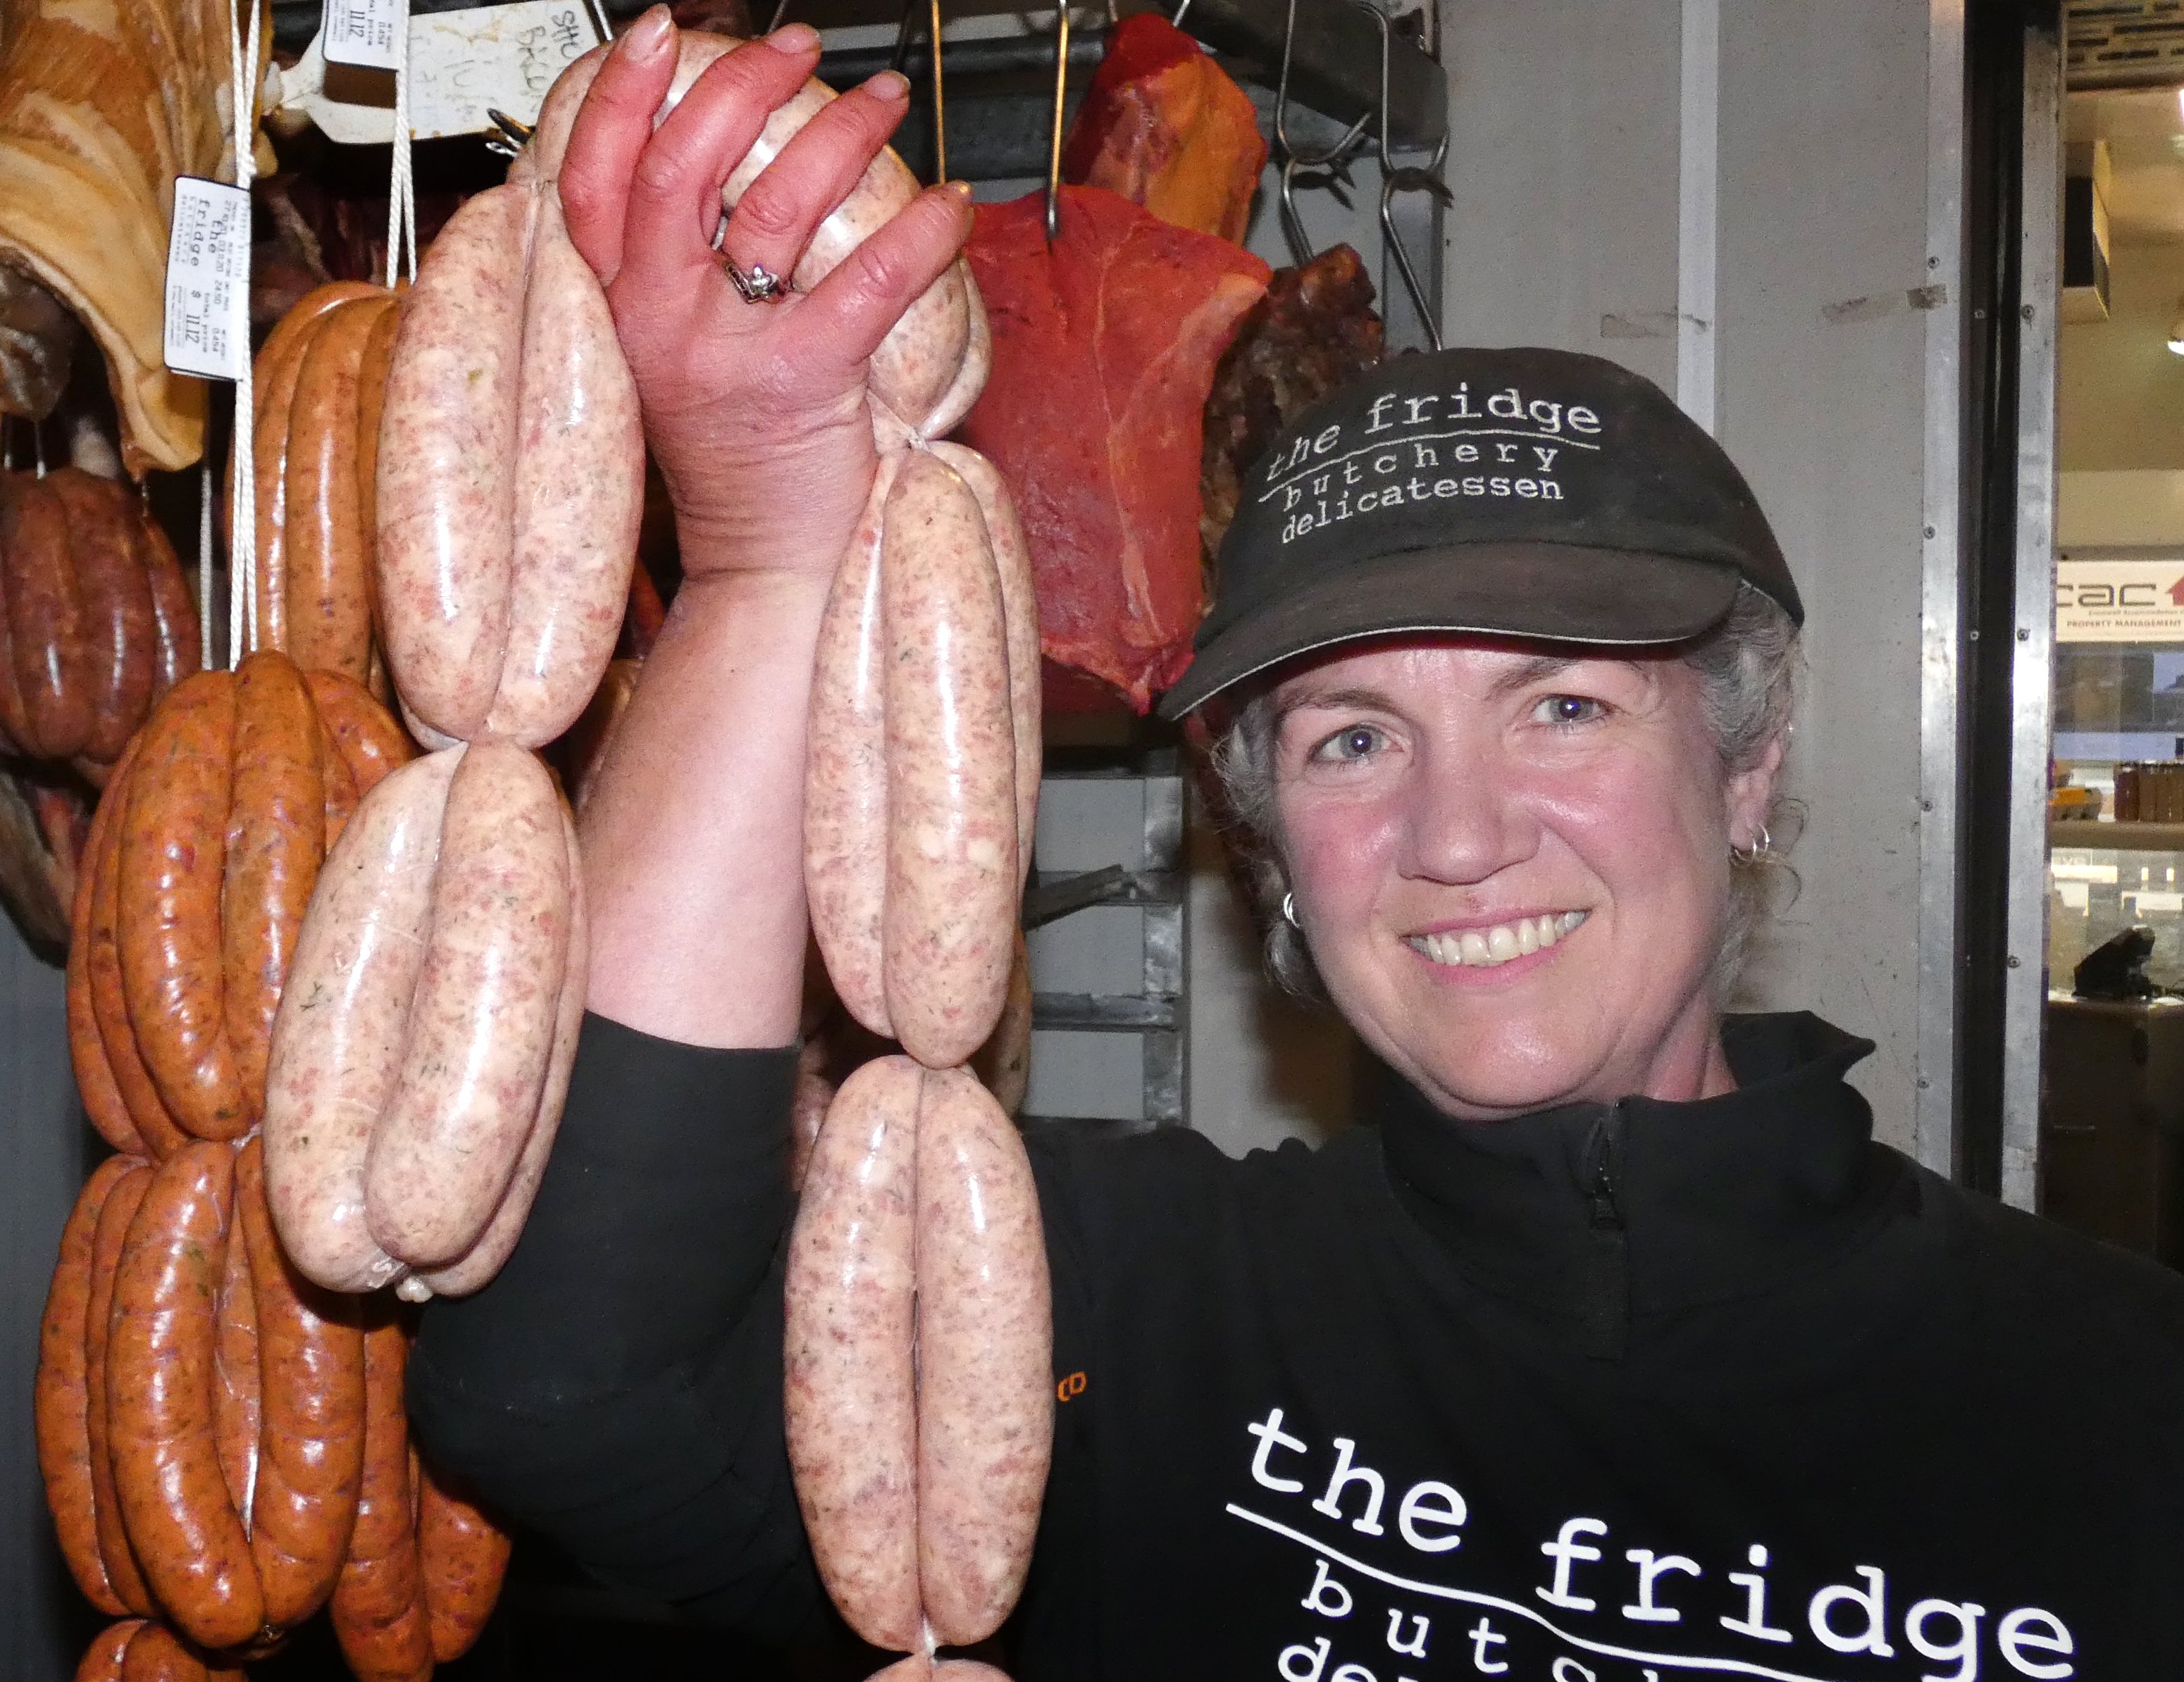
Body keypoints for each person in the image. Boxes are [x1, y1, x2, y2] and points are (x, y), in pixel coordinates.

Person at [409, 15, 2184, 1679]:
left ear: (1740, 770)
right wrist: (767, 555)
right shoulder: (1124, 1298)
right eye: (1349, 741)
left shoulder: (2109, 1396)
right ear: (1267, 848)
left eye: (1560, 707)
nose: (1458, 835)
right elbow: (571, 1398)